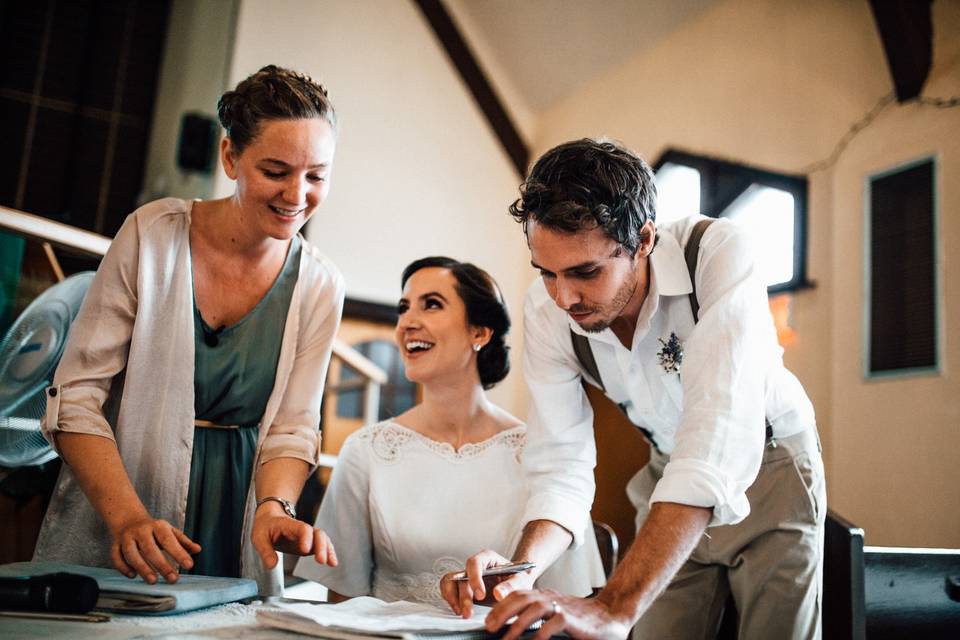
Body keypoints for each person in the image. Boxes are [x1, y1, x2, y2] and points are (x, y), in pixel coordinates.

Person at [446, 139, 826, 639]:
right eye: (548, 274)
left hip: (772, 463)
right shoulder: (546, 312)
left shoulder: (717, 253)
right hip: (667, 472)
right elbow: (561, 462)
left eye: (586, 272)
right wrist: (523, 569)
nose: (564, 298)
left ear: (644, 240)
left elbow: (718, 428)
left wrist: (614, 605)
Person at [33, 65, 345, 594]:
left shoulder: (320, 285)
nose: (297, 195)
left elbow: (294, 427)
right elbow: (76, 398)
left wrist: (273, 507)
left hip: (238, 518)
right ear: (230, 157)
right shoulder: (151, 236)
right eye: (276, 171)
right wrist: (128, 519)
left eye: (316, 175)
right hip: (126, 503)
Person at [294, 257, 604, 608]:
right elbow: (342, 600)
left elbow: (563, 602)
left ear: (479, 332)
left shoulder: (543, 455)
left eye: (432, 305)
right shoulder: (366, 450)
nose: (408, 322)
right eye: (403, 308)